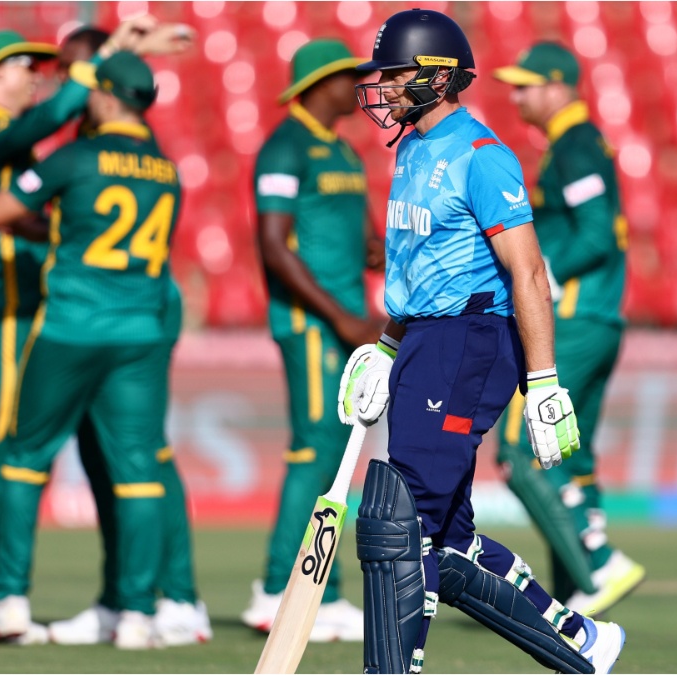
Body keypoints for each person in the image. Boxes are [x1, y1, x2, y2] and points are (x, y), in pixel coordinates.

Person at [339, 10, 624, 673]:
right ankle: (581, 641)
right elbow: (416, 268)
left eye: (397, 73)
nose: (385, 87)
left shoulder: (483, 156)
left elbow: (528, 273)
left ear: (439, 78)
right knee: (446, 540)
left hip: (470, 341)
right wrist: (387, 347)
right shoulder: (411, 149)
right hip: (424, 340)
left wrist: (544, 382)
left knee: (400, 520)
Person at [0, 19, 187, 646]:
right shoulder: (167, 170)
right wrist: (123, 52)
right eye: (23, 66)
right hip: (134, 334)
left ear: (103, 97)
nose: (42, 78)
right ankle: (137, 613)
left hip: (67, 327)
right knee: (138, 470)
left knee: (21, 460)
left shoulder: (71, 156)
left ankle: (2, 601)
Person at [46, 24, 212, 648]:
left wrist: (125, 51)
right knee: (103, 456)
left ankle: (180, 597)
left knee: (145, 454)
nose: (69, 86)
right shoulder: (88, 142)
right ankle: (120, 596)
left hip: (134, 308)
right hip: (107, 311)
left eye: (78, 74)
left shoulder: (120, 144)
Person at [493, 42, 645, 617]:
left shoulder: (576, 146)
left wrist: (547, 278)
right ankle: (576, 590)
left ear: (558, 86)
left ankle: (597, 564)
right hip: (600, 318)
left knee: (520, 449)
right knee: (568, 454)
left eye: (526, 85)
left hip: (575, 318)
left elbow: (596, 233)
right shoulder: (575, 145)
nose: (516, 96)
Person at [241, 38, 382, 642]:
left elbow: (358, 231)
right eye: (349, 76)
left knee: (336, 452)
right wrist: (341, 317)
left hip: (348, 317)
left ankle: (321, 589)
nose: (359, 86)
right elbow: (274, 248)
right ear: (319, 83)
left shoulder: (343, 150)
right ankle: (277, 588)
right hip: (312, 323)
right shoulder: (285, 146)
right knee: (314, 447)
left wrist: (373, 248)